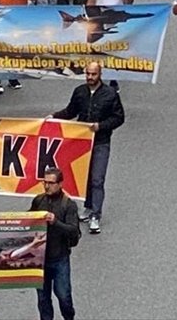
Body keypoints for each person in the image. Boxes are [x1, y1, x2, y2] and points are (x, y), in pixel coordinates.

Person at [49, 61, 124, 234]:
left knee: (98, 178)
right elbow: (70, 112)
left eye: (94, 74)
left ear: (100, 74)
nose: (90, 77)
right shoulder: (80, 92)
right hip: (82, 143)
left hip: (101, 142)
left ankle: (96, 215)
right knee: (86, 177)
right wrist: (54, 116)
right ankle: (88, 206)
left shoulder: (110, 94)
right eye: (88, 74)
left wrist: (101, 126)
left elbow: (119, 118)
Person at [32, 167, 81, 320]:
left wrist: (56, 222)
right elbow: (28, 220)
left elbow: (74, 231)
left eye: (51, 183)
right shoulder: (38, 200)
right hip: (41, 261)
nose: (47, 186)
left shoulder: (69, 205)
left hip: (60, 259)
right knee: (43, 300)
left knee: (64, 297)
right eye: (45, 182)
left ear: (60, 184)